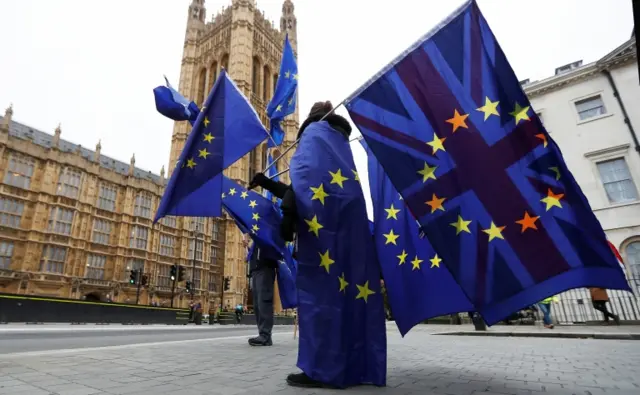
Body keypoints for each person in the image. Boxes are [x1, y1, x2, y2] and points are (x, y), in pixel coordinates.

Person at [250, 101, 386, 389]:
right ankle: (352, 365)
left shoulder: (314, 138)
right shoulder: (339, 145)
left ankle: (321, 370)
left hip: (319, 240)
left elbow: (301, 190)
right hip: (348, 232)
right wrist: (267, 183)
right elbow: (310, 189)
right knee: (348, 297)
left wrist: (287, 213)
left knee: (320, 302)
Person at [246, 240, 278, 346]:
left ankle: (266, 335)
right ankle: (262, 333)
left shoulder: (265, 228)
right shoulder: (255, 234)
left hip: (265, 267)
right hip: (255, 268)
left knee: (263, 301)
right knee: (257, 305)